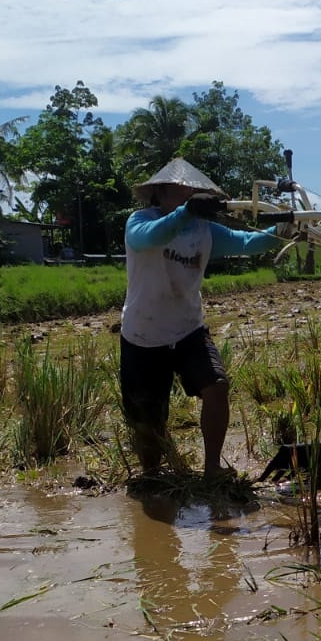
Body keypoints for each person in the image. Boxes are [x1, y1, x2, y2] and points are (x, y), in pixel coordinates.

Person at [121, 158, 286, 481]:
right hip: (143, 333)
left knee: (216, 387)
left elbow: (248, 243)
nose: (193, 193)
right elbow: (148, 240)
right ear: (163, 191)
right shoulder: (140, 221)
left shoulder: (204, 230)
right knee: (146, 418)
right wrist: (186, 213)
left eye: (197, 190)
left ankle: (212, 468)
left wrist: (282, 228)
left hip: (188, 329)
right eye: (187, 189)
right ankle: (153, 476)